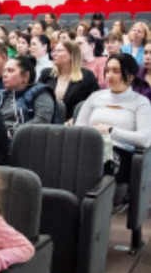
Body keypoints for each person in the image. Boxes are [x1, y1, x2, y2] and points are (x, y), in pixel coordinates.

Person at [76, 53, 151, 207]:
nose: (110, 75)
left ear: (130, 76)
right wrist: (93, 134)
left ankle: (91, 204)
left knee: (97, 163)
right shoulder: (96, 97)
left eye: (116, 71)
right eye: (107, 70)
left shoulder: (140, 102)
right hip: (91, 147)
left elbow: (144, 139)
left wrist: (110, 130)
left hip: (120, 153)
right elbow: (78, 128)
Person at [0, 56, 57, 138]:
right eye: (4, 71)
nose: (4, 75)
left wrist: (12, 132)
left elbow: (41, 122)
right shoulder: (1, 95)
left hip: (24, 141)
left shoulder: (41, 93)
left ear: (25, 76)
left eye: (10, 71)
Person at [38, 40, 99, 121]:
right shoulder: (46, 74)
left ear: (71, 54)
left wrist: (76, 118)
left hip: (74, 125)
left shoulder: (87, 76)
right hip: (48, 122)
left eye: (59, 51)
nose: (54, 54)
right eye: (54, 51)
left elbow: (94, 102)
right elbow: (37, 100)